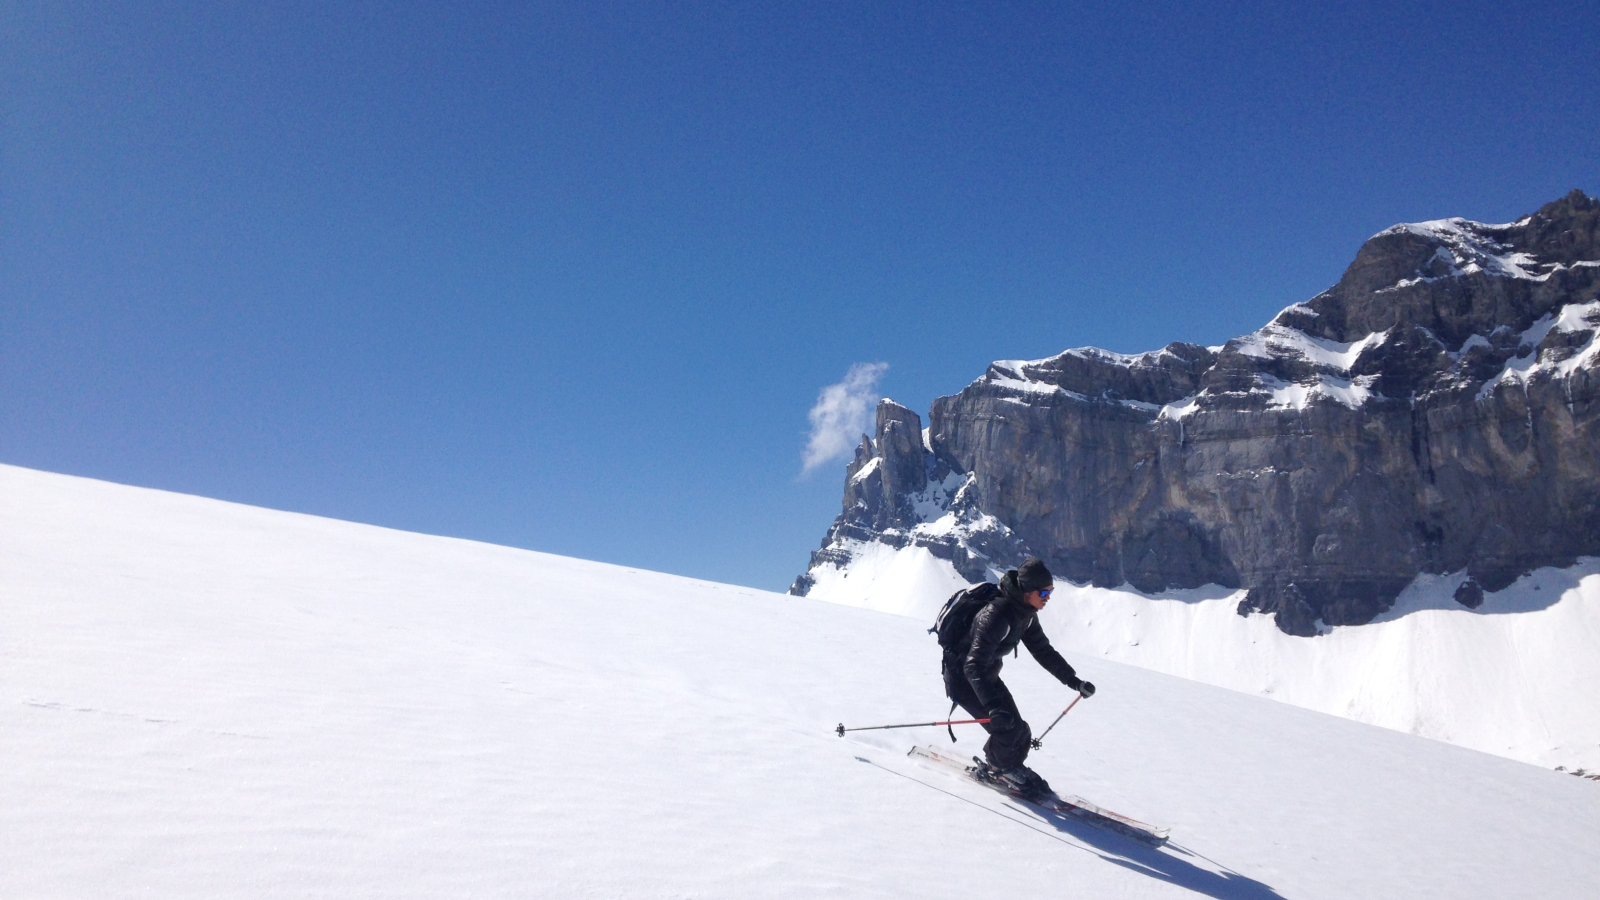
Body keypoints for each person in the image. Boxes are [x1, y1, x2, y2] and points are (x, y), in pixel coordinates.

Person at [944, 557, 1094, 797]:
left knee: (1021, 731)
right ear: (1027, 590)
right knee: (1006, 729)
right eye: (1044, 591)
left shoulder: (1026, 614)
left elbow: (1043, 650)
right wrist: (993, 707)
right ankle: (997, 768)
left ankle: (1010, 766)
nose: (1048, 596)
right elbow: (973, 666)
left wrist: (1074, 681)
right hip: (964, 679)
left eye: (1051, 591)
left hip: (986, 676)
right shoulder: (996, 616)